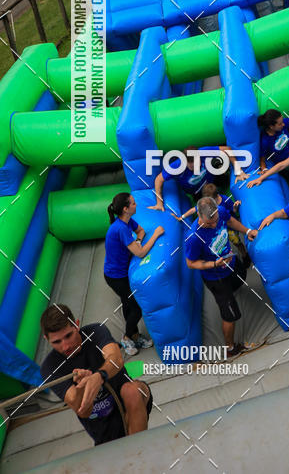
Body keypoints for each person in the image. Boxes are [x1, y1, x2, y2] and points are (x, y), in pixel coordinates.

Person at [40, 304, 152, 445]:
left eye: (69, 335)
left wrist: (99, 377)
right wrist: (81, 387)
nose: (66, 346)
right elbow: (83, 412)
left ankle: (140, 451)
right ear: (46, 339)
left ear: (77, 325)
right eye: (57, 342)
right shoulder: (50, 367)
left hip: (130, 403)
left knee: (132, 390)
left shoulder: (95, 331)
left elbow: (116, 359)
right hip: (103, 429)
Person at [185, 197, 258, 358]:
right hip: (216, 278)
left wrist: (247, 231)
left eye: (215, 221)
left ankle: (231, 294)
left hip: (231, 263)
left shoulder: (220, 212)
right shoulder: (194, 238)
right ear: (198, 214)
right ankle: (230, 347)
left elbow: (230, 221)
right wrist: (214, 264)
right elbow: (190, 263)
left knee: (241, 278)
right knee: (231, 315)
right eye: (209, 223)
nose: (213, 225)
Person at [103, 193, 163, 356]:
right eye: (134, 204)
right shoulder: (120, 228)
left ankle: (135, 335)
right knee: (136, 307)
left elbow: (141, 231)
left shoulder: (126, 221)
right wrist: (156, 234)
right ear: (125, 209)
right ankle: (127, 337)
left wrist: (137, 240)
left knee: (127, 303)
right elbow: (141, 253)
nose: (136, 205)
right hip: (115, 277)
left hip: (121, 272)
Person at [148, 145, 238, 214]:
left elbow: (227, 149)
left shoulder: (203, 152)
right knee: (208, 208)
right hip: (197, 192)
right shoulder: (178, 165)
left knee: (223, 176)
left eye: (196, 165)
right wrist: (159, 202)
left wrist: (239, 170)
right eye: (191, 167)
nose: (195, 169)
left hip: (212, 179)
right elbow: (159, 179)